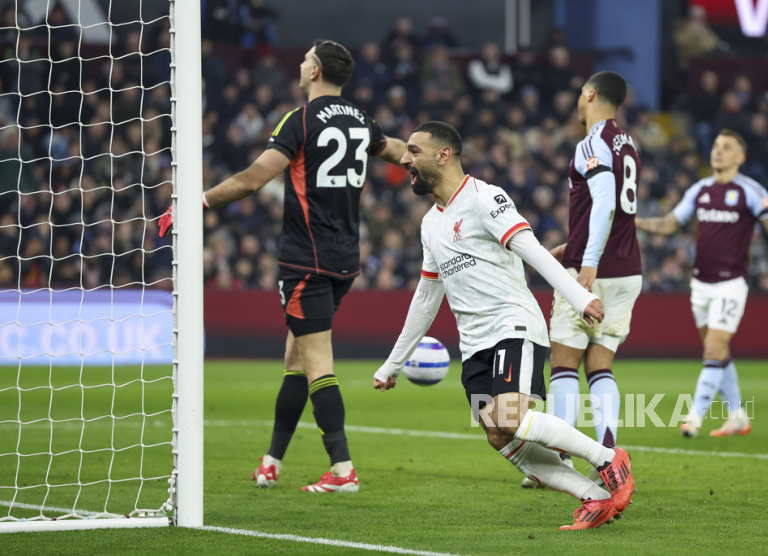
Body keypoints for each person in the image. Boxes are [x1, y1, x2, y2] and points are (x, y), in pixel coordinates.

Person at [159, 40, 407, 492]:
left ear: (314, 72)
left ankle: (342, 470)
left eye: (305, 59)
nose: (299, 63)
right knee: (295, 360)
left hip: (305, 260)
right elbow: (398, 152)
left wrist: (198, 201)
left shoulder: (300, 120)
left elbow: (254, 179)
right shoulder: (360, 120)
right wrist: (433, 163)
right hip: (344, 260)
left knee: (316, 362)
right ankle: (271, 462)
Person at [372, 121, 636, 530]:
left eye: (413, 151)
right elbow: (426, 298)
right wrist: (392, 364)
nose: (404, 159)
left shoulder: (485, 198)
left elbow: (533, 252)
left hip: (513, 326)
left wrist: (581, 297)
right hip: (474, 346)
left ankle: (609, 459)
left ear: (443, 155)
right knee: (499, 435)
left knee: (509, 417)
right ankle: (596, 496)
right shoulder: (430, 224)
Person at [636, 130, 768, 437]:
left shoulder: (750, 191)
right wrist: (634, 221)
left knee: (713, 348)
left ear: (740, 157)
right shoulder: (700, 190)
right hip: (700, 284)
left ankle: (694, 418)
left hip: (731, 283)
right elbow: (670, 224)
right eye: (716, 146)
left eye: (726, 147)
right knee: (717, 350)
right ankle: (737, 415)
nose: (718, 151)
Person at [526, 72, 642, 489]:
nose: (578, 100)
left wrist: (587, 261)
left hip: (591, 272)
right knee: (601, 365)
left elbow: (606, 203)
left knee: (563, 365)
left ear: (590, 95)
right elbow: (607, 207)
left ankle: (559, 459)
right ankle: (609, 455)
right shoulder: (627, 143)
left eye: (580, 93)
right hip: (628, 271)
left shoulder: (592, 142)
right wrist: (572, 245)